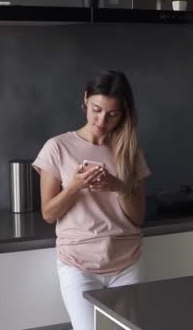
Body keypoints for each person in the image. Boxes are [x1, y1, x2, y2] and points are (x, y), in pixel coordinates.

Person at [33, 70, 150, 330]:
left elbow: (138, 217)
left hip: (127, 263)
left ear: (124, 113)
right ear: (85, 99)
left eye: (112, 114)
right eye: (96, 109)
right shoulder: (57, 147)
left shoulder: (130, 151)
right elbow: (49, 213)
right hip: (78, 264)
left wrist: (118, 187)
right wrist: (74, 186)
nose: (101, 120)